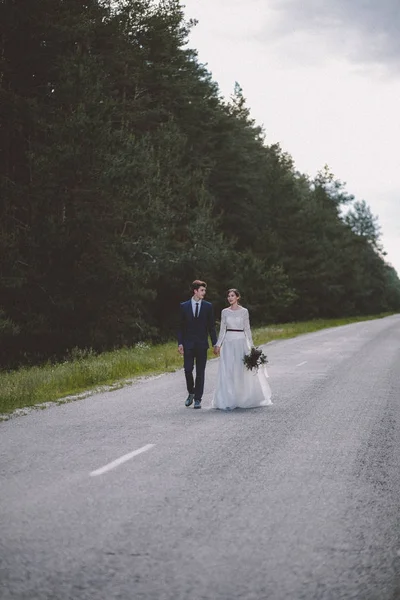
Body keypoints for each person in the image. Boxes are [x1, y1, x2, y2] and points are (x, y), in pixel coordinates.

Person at [213, 288, 272, 410]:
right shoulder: (224, 312)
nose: (230, 298)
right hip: (228, 342)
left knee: (241, 370)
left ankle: (243, 397)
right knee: (228, 370)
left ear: (237, 297)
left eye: (232, 295)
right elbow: (222, 329)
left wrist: (252, 347)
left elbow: (247, 329)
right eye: (228, 296)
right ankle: (228, 398)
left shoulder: (244, 311)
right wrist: (218, 344)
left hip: (241, 341)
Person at [178, 280, 218, 409]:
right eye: (202, 290)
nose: (204, 293)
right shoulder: (184, 306)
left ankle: (197, 399)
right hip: (188, 344)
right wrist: (180, 343)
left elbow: (211, 327)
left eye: (204, 290)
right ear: (195, 291)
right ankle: (191, 392)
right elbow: (180, 327)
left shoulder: (208, 306)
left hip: (202, 344)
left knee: (200, 372)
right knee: (188, 369)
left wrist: (215, 343)